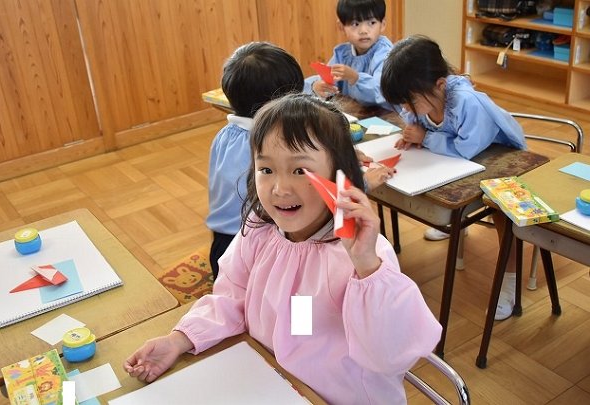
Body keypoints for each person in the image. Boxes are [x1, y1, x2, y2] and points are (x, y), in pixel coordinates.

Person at [124, 94, 441, 404]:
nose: (279, 188)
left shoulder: (362, 254)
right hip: (272, 380)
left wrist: (367, 265)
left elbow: (389, 355)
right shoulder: (260, 231)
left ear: (339, 175)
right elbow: (232, 298)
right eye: (266, 170)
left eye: (300, 170)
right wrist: (179, 339)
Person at [380, 35, 527, 320]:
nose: (406, 108)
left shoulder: (467, 103)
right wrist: (412, 134)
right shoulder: (425, 98)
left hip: (502, 162)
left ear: (440, 85)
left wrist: (425, 138)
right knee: (446, 194)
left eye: (410, 101)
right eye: (403, 103)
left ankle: (509, 283)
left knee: (501, 212)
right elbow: (417, 121)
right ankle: (457, 224)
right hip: (461, 165)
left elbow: (465, 148)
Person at [206, 41, 304, 280]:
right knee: (300, 287)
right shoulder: (270, 145)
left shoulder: (225, 135)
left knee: (237, 297)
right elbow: (307, 197)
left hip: (220, 246)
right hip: (255, 250)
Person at [304, 0, 393, 111]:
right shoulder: (343, 54)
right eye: (355, 24)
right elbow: (328, 79)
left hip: (385, 116)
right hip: (356, 113)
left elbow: (380, 92)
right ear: (341, 27)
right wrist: (317, 86)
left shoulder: (385, 53)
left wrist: (355, 78)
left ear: (383, 24)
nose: (363, 31)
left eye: (372, 23)